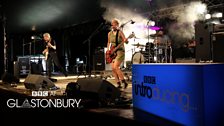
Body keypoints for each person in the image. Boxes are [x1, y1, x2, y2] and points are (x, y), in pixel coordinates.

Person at [107, 19, 128, 89]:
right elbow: (108, 42)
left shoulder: (120, 32)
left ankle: (124, 82)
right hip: (113, 52)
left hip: (120, 51)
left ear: (117, 25)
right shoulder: (109, 33)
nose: (113, 25)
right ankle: (118, 83)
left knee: (116, 66)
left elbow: (126, 41)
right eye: (112, 24)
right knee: (113, 68)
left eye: (114, 24)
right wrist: (108, 50)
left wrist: (126, 40)